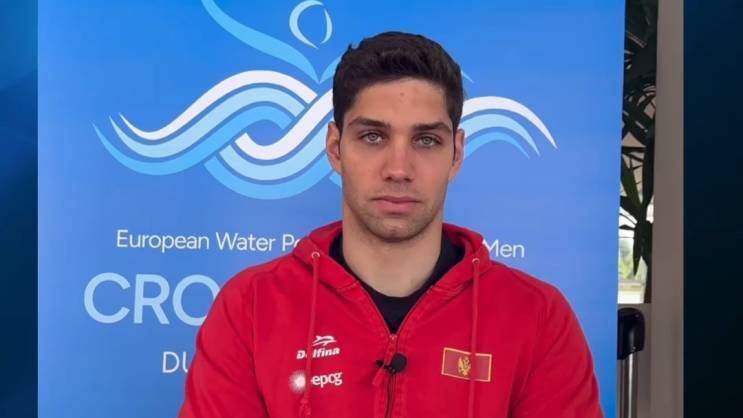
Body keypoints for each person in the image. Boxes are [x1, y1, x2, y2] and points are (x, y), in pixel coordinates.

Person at [179, 31, 603, 418]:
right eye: (373, 137)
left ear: (456, 154)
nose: (399, 169)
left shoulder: (537, 315)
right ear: (335, 147)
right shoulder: (251, 307)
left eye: (426, 140)